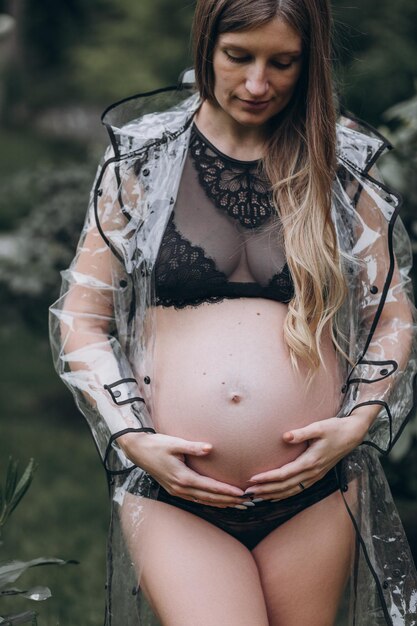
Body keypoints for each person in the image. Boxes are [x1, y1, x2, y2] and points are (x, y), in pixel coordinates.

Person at [49, 0, 417, 624]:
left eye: (283, 63)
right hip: (177, 488)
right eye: (238, 57)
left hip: (313, 489)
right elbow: (82, 317)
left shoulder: (342, 169)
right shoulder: (142, 161)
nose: (256, 84)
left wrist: (355, 425)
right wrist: (132, 437)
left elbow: (392, 316)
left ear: (310, 65)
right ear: (205, 46)